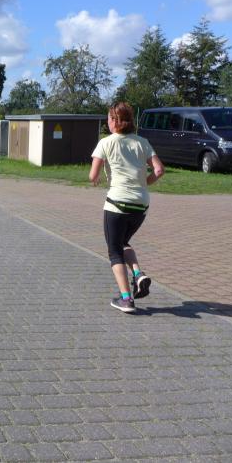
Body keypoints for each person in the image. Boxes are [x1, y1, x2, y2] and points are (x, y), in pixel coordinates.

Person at [89, 102, 164, 313]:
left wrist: (96, 179)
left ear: (115, 121)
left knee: (114, 251)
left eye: (108, 118)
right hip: (141, 205)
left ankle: (126, 299)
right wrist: (144, 184)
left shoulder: (105, 142)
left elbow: (93, 175)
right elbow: (159, 170)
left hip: (117, 204)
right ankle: (138, 275)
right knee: (122, 242)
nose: (107, 122)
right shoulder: (142, 142)